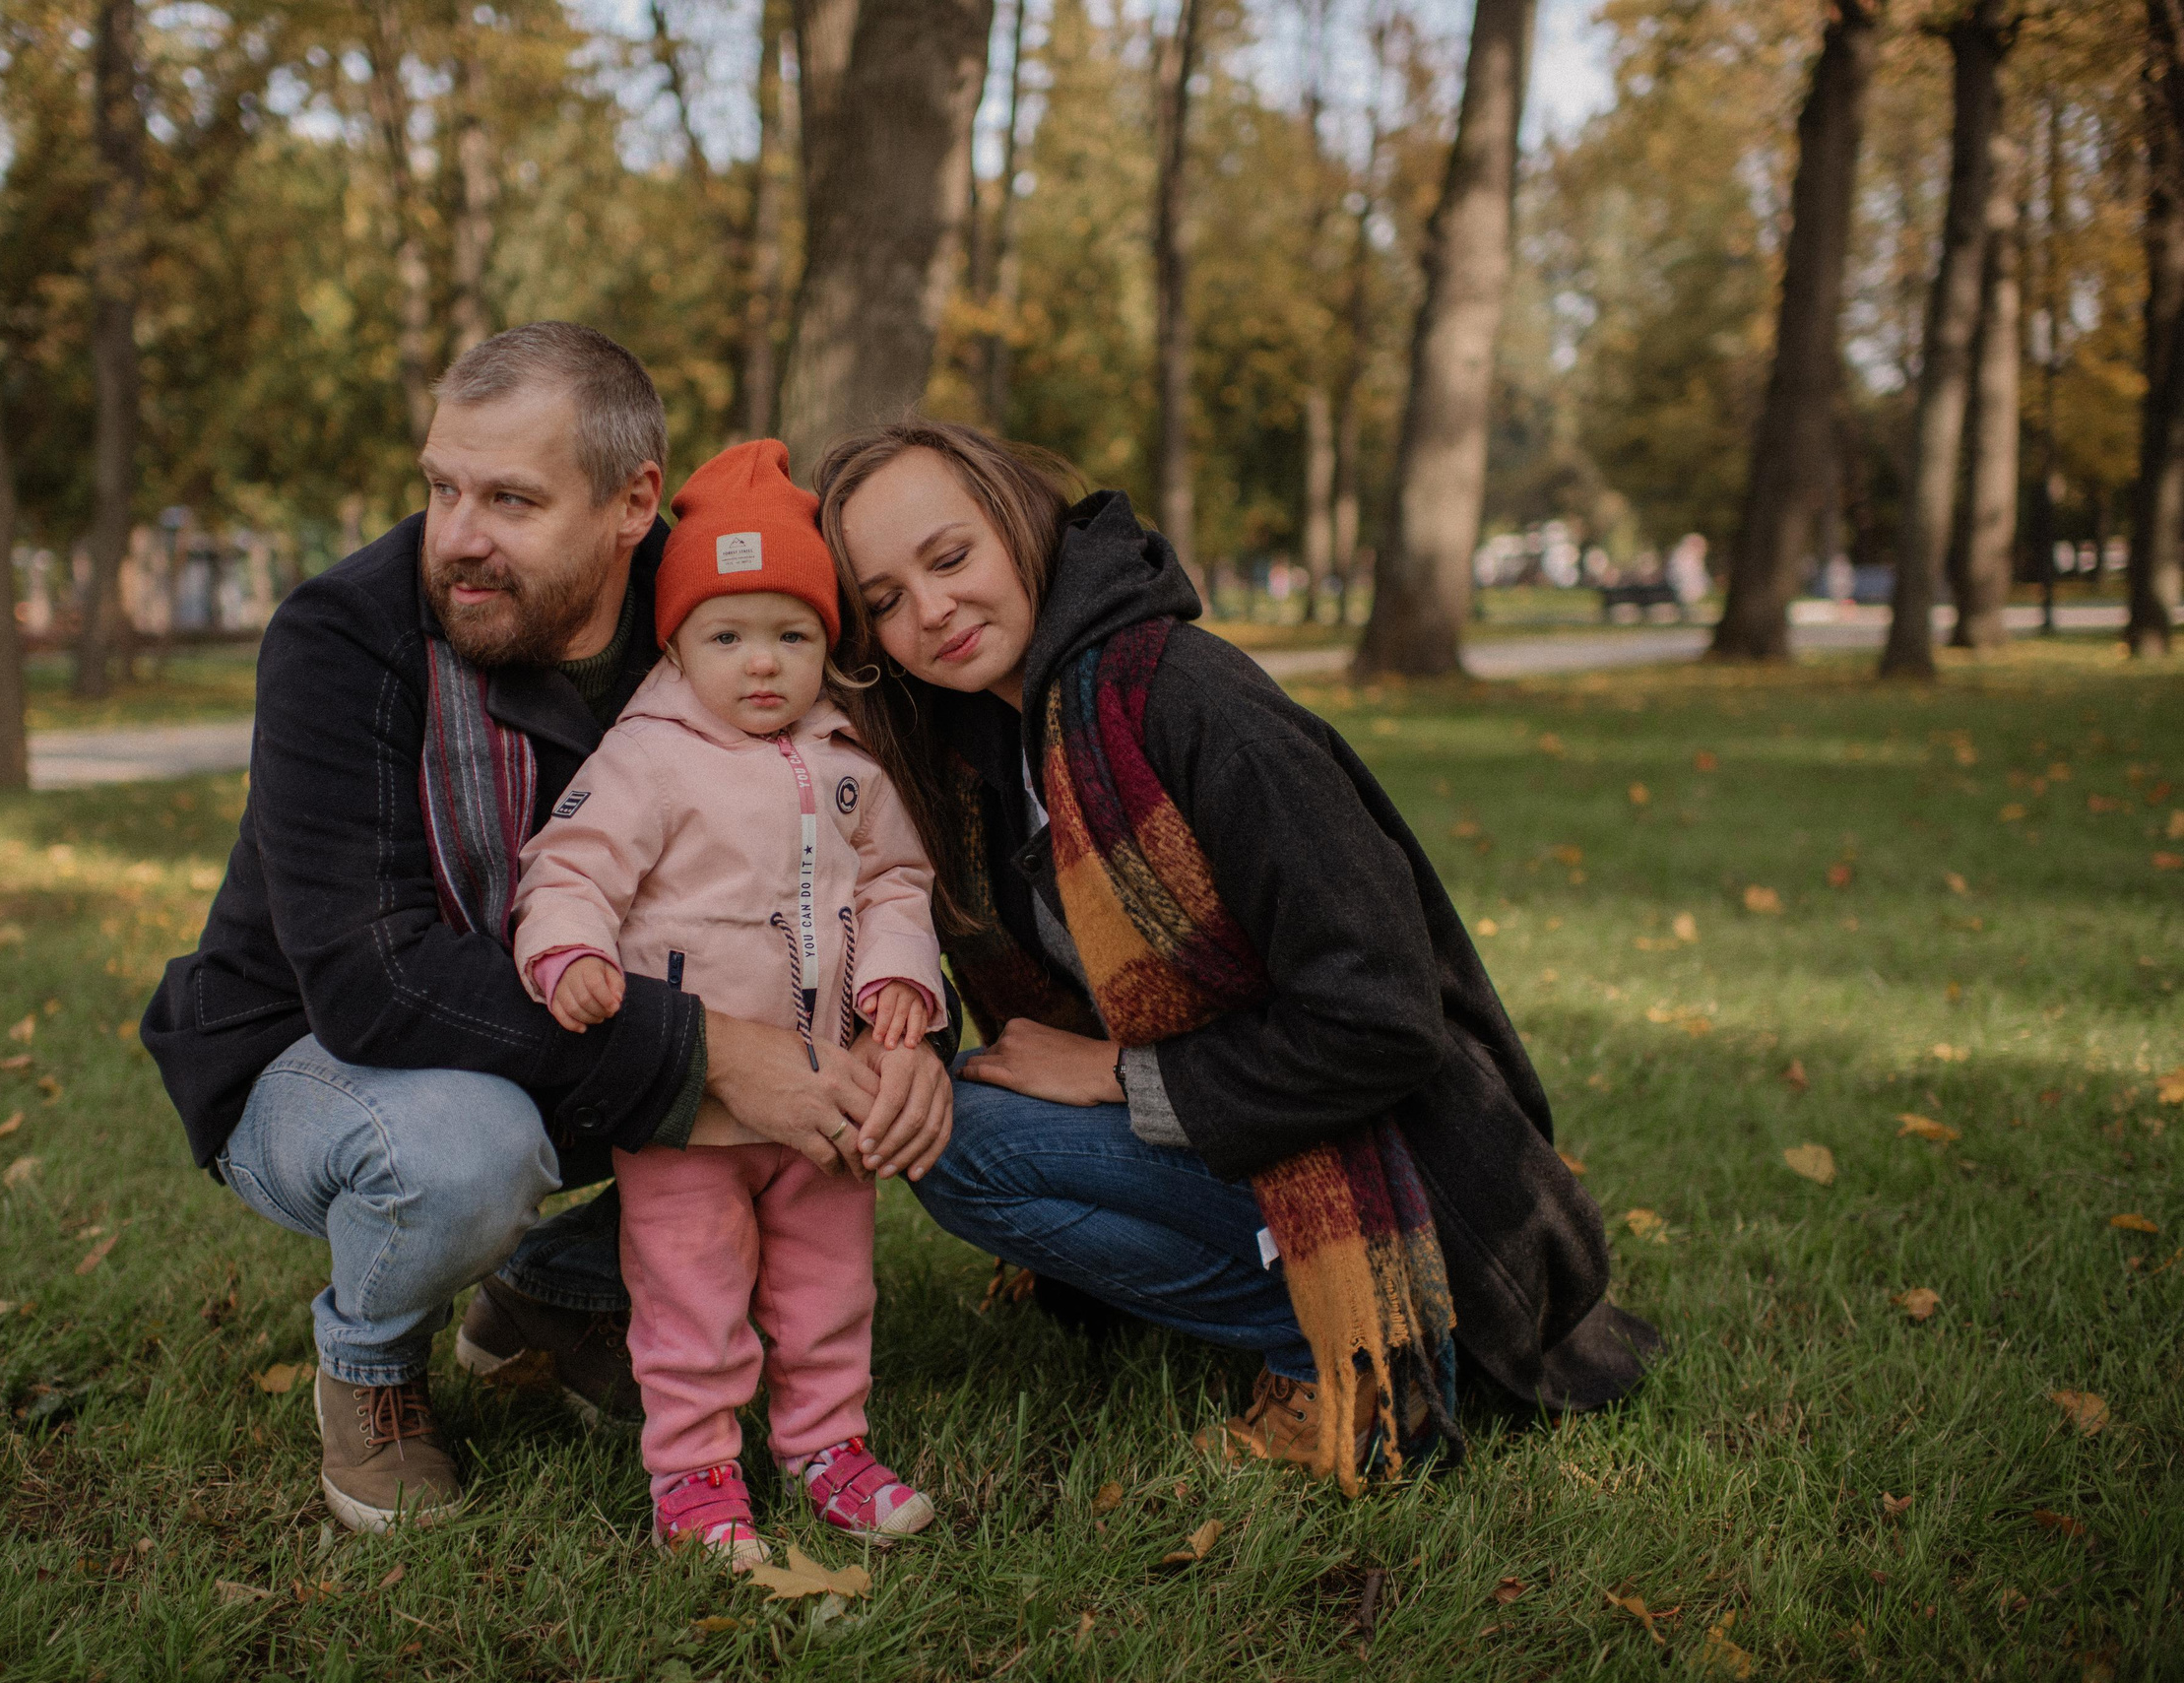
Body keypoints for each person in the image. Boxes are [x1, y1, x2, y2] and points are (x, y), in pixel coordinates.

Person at [138, 325, 950, 1534]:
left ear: (632, 503)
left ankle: (554, 1288)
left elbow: (849, 835)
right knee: (466, 1146)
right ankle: (370, 1362)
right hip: (317, 1048)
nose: (456, 535)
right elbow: (370, 980)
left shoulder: (729, 610)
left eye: (510, 499)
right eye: (442, 487)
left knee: (778, 1125)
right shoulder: (344, 637)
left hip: (582, 1027)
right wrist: (718, 1053)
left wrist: (902, 1031)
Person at [816, 420, 1657, 1490]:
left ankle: (1355, 1336)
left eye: (949, 557)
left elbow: (1382, 1019)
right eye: (885, 599)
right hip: (1256, 1130)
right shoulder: (983, 749)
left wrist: (1116, 1074)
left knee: (969, 1142)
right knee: (942, 1122)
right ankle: (1282, 1288)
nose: (930, 609)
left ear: (1022, 523)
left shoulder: (1185, 703)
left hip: (1415, 1181)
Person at [512, 439, 948, 1564]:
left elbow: (896, 881)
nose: (763, 664)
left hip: (824, 1092)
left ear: (827, 645)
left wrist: (899, 973)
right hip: (691, 1106)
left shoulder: (848, 761)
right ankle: (694, 1470)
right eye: (727, 636)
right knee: (690, 1294)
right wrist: (570, 953)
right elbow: (569, 868)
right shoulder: (646, 758)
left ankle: (826, 1443)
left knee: (828, 1286)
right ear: (675, 643)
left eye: (792, 636)